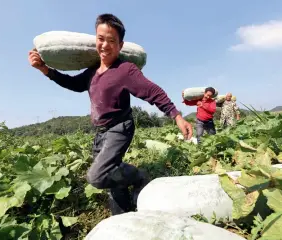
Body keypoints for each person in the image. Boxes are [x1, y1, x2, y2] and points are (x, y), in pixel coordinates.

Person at [28, 13, 193, 215]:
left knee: (97, 176)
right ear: (95, 39)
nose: (105, 45)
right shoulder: (92, 71)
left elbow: (152, 91)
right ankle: (123, 214)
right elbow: (74, 84)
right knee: (112, 179)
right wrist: (45, 69)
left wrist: (176, 115)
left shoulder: (125, 70)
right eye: (100, 39)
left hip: (119, 128)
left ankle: (139, 176)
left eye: (111, 41)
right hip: (100, 132)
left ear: (120, 45)